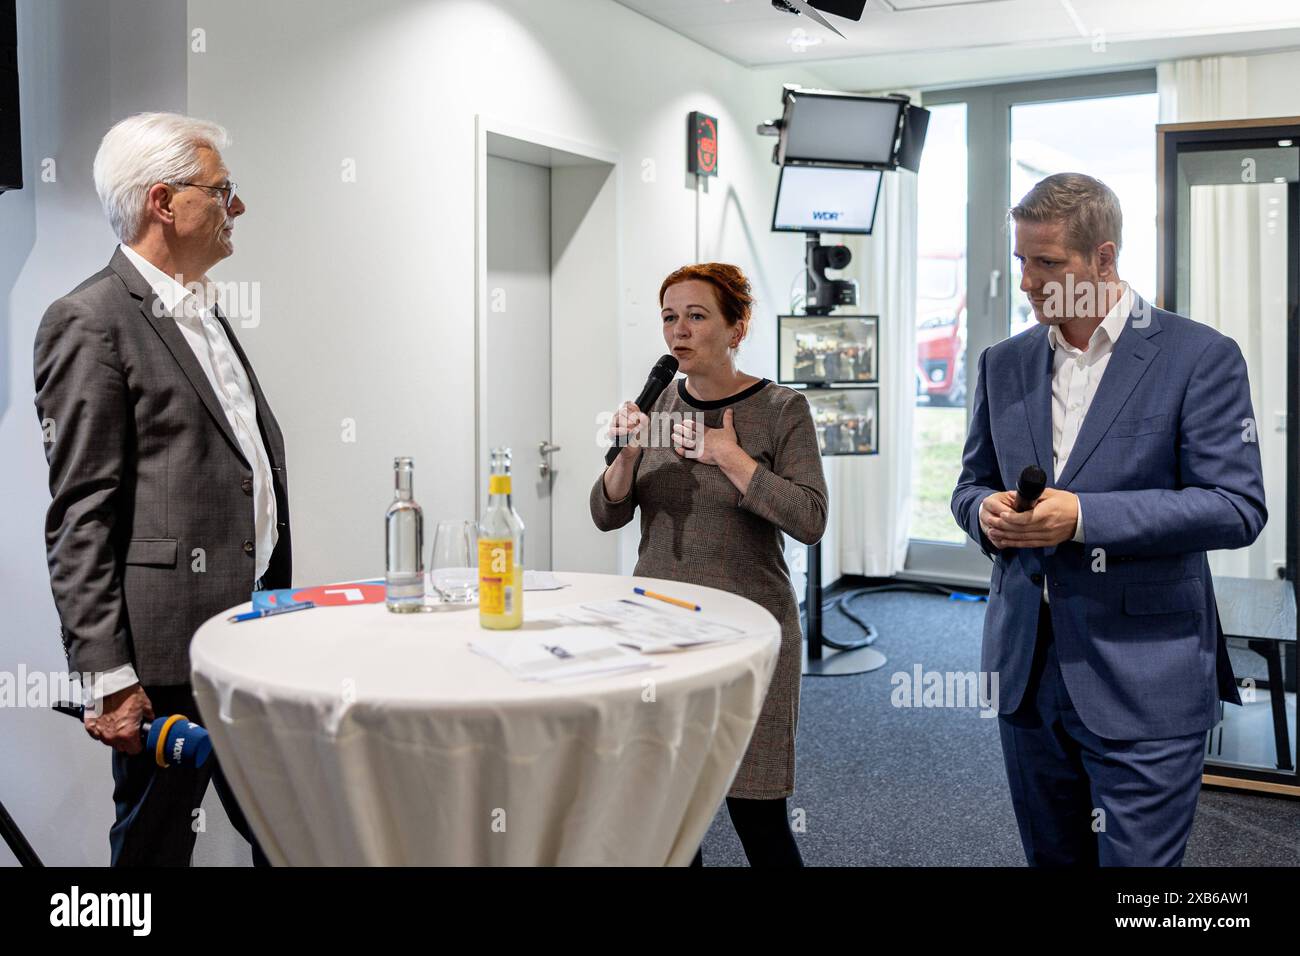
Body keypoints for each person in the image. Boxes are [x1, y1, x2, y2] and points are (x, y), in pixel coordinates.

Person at [951, 172, 1266, 866]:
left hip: (1146, 676)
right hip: (1027, 673)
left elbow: (1237, 507)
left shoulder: (1198, 357)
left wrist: (1085, 517)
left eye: (1049, 263)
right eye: (1022, 261)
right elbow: (970, 485)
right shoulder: (1003, 364)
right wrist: (988, 514)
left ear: (1104, 258)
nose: (1029, 282)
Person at [33, 112, 292, 866]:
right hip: (165, 660)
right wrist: (109, 679)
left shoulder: (203, 310)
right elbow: (80, 514)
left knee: (286, 829)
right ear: (162, 202)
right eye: (222, 191)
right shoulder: (89, 321)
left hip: (251, 635)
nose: (235, 207)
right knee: (151, 854)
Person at [590, 262, 827, 867]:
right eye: (670, 317)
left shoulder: (780, 409)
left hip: (750, 634)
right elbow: (606, 513)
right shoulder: (657, 405)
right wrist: (625, 458)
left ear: (737, 326)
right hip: (659, 633)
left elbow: (810, 520)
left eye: (697, 316)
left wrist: (733, 459)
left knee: (757, 814)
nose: (679, 331)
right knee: (669, 825)